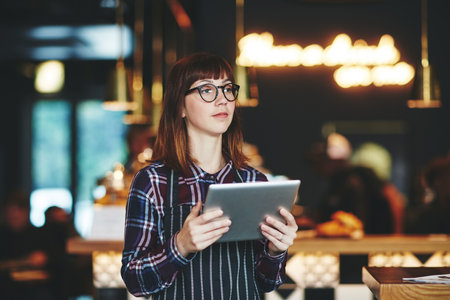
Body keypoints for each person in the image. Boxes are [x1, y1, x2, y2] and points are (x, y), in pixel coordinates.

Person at [121, 53, 297, 299]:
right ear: (180, 106)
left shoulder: (253, 181)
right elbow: (134, 279)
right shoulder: (152, 182)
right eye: (207, 90)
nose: (222, 100)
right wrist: (180, 245)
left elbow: (268, 282)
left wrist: (276, 249)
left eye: (227, 89)